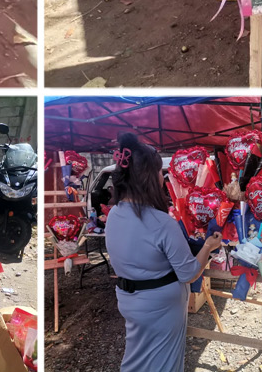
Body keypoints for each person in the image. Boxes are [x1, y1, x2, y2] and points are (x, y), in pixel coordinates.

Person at [104, 132, 223, 372]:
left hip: (128, 300)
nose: (163, 176)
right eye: (159, 171)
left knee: (137, 357)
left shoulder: (114, 214)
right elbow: (188, 273)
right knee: (164, 362)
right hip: (161, 305)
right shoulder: (161, 221)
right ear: (148, 177)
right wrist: (209, 246)